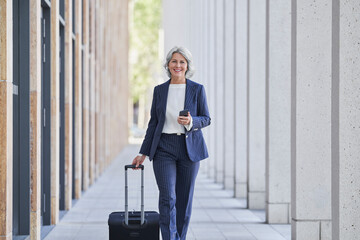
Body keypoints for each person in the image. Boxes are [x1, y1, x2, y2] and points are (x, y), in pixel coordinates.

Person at [131, 46, 211, 240]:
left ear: (187, 66)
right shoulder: (159, 91)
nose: (178, 65)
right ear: (168, 64)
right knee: (168, 198)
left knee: (183, 201)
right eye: (174, 61)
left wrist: (192, 122)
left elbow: (206, 118)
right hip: (163, 149)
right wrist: (143, 153)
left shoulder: (197, 89)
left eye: (182, 62)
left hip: (188, 149)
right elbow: (153, 124)